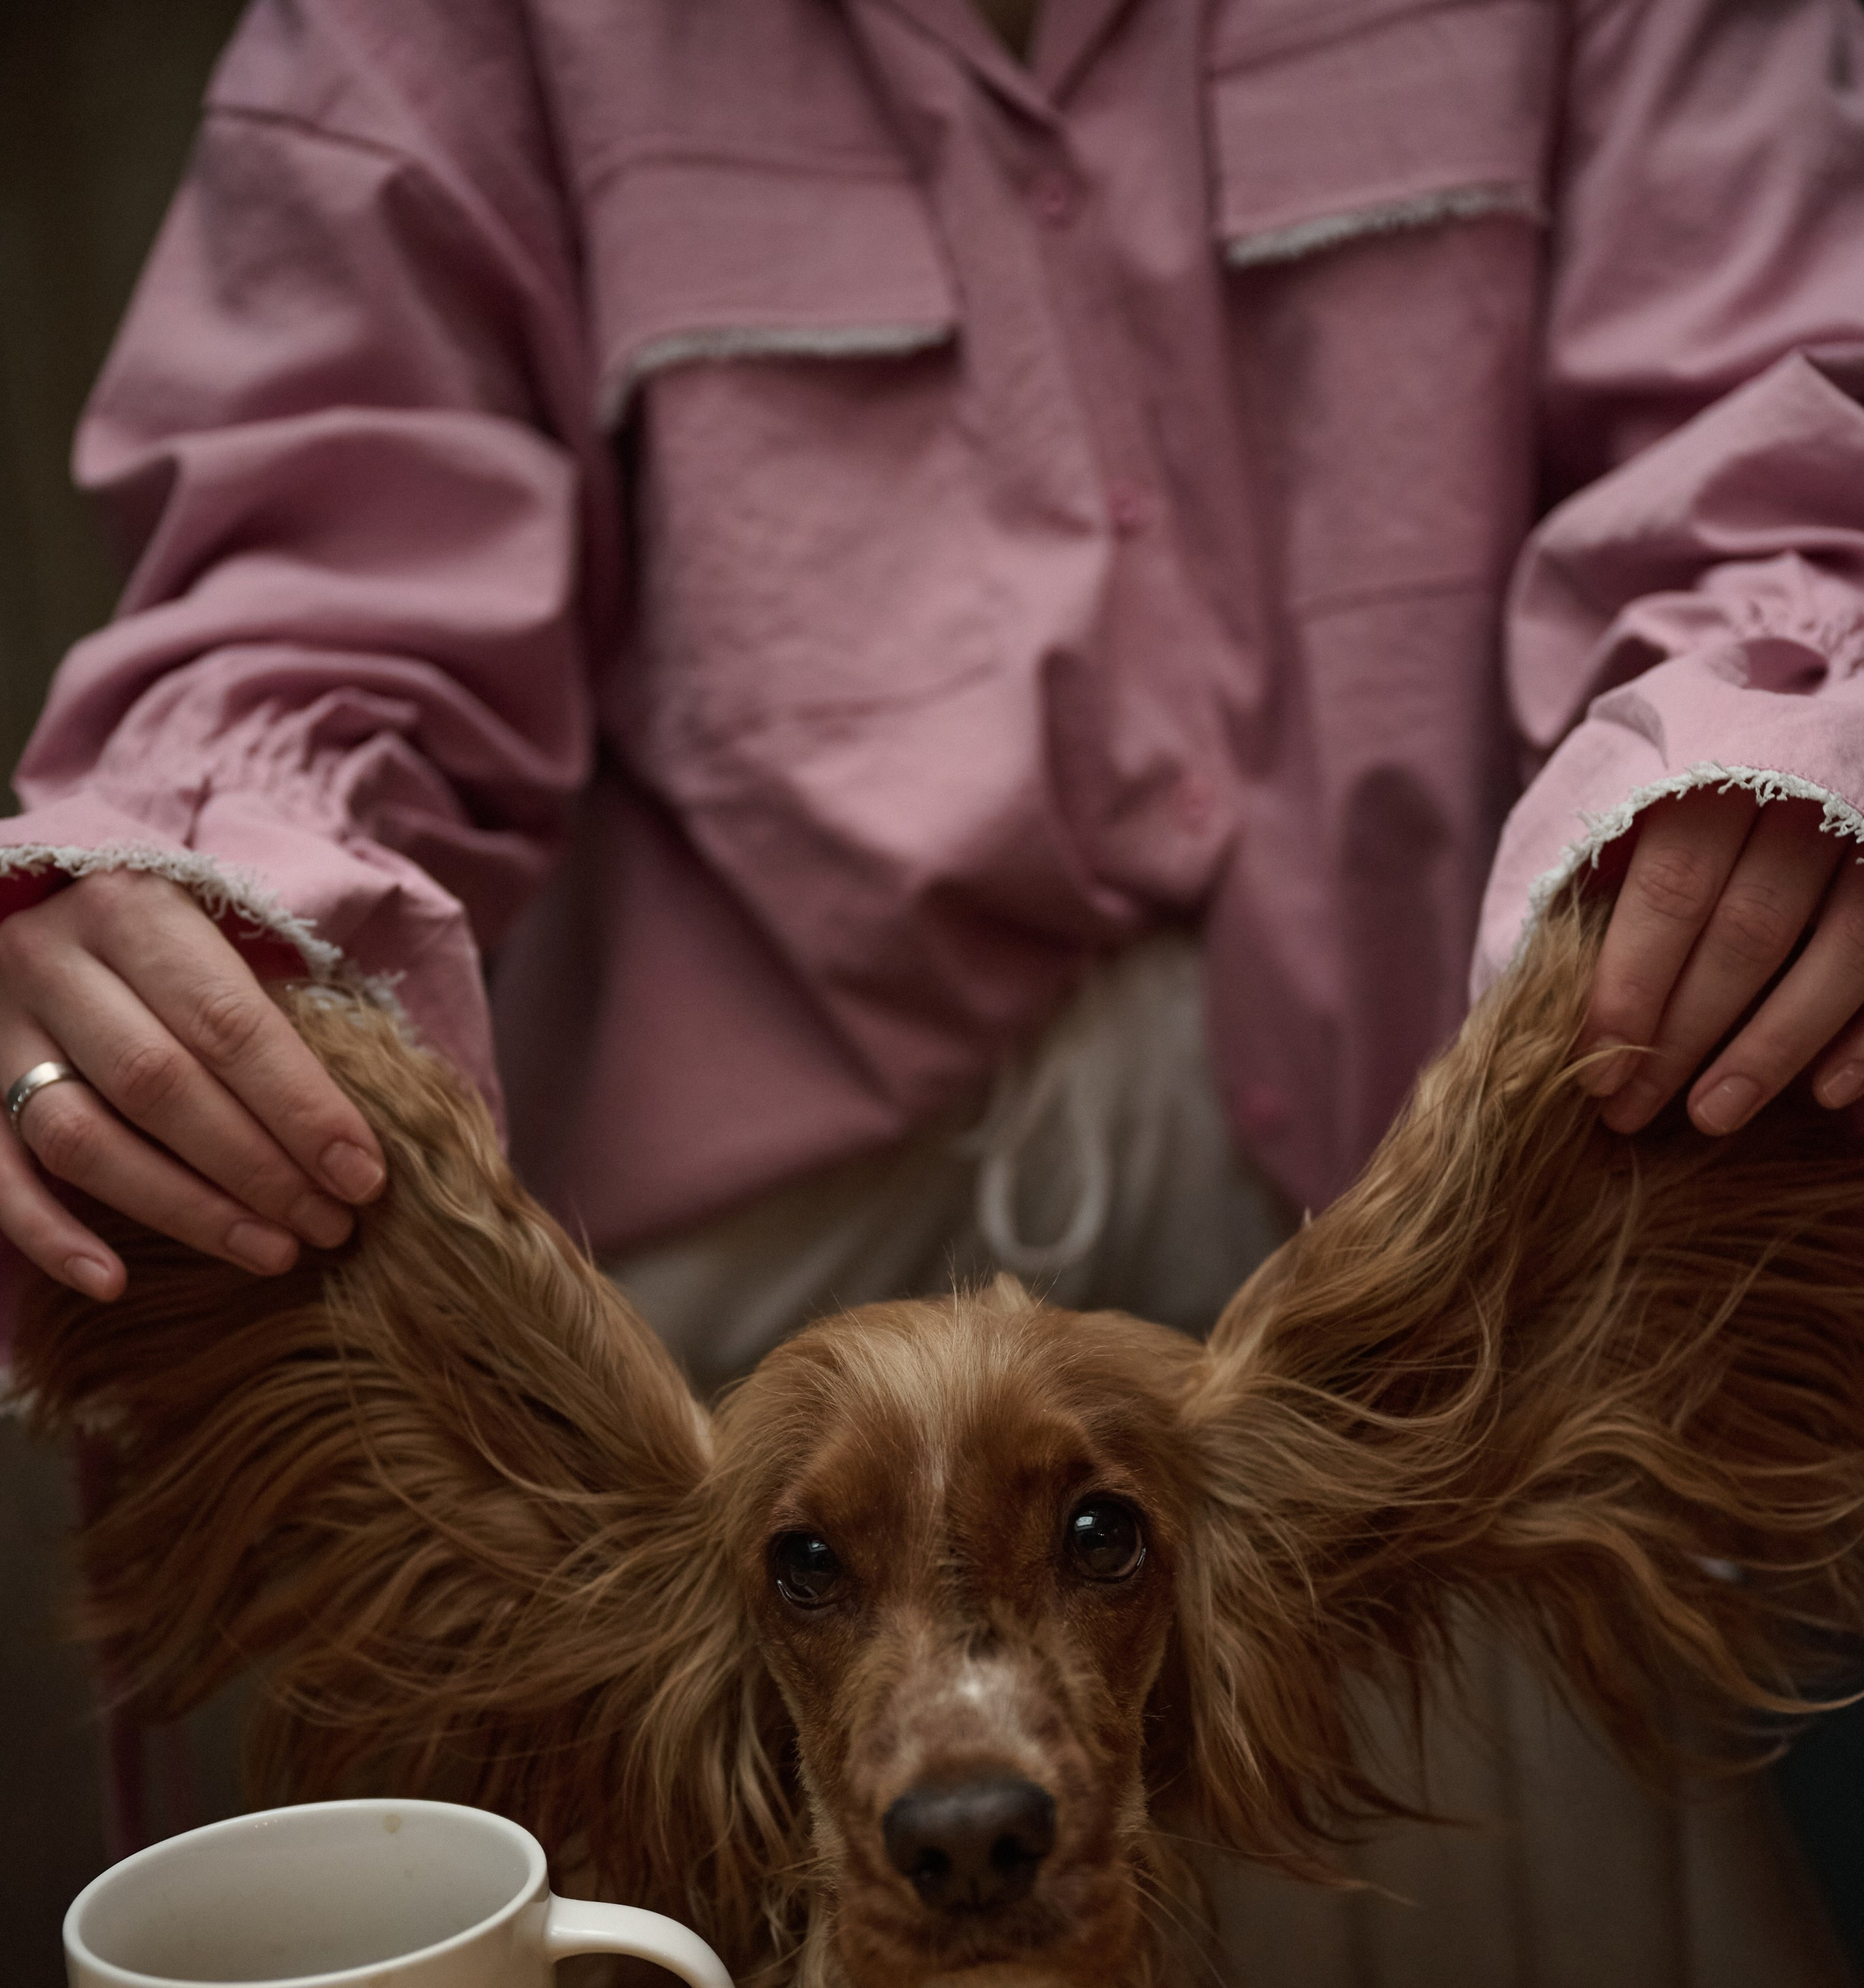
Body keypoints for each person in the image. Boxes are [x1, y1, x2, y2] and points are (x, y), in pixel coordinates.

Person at [0, 0, 1860, 1366]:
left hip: (1453, 1317)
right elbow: (322, 558)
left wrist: (1778, 758)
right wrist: (178, 898)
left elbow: (1776, 406)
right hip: (718, 1373)